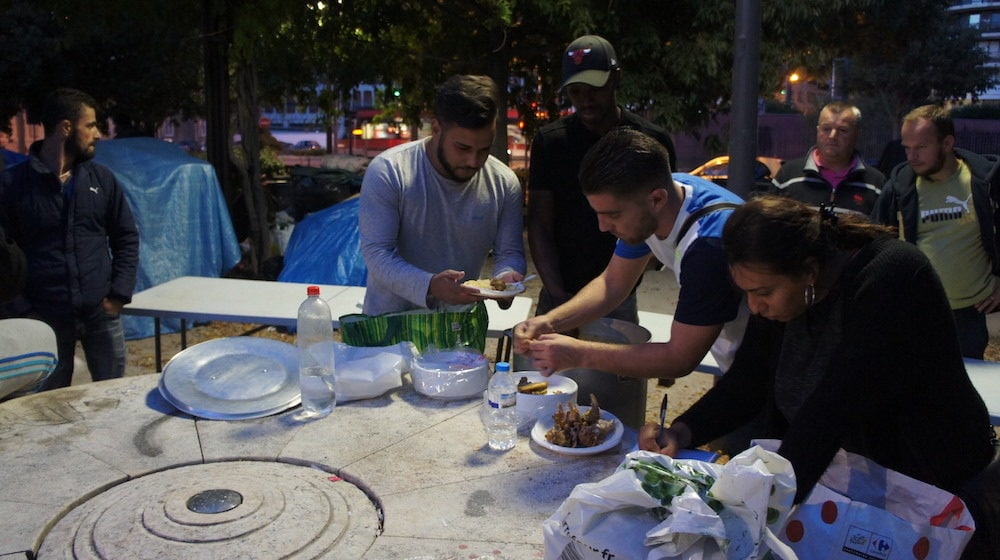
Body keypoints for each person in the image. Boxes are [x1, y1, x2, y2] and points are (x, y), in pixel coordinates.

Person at [638, 197, 999, 557]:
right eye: (746, 293)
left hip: (931, 482)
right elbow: (748, 380)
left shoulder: (892, 277)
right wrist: (683, 430)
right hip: (855, 483)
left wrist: (751, 513)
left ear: (809, 272)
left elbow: (833, 410)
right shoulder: (785, 287)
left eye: (763, 293)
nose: (755, 307)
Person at [514, 128, 746, 381]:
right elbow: (611, 284)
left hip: (763, 366)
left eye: (613, 214)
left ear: (657, 199)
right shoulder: (663, 196)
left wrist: (580, 354)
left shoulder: (708, 246)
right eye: (598, 213)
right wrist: (550, 321)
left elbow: (679, 358)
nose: (602, 227)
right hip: (734, 355)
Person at [527, 35, 676, 323]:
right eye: (576, 91)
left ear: (615, 79)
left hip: (621, 290)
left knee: (619, 365)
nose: (586, 99)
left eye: (594, 88)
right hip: (561, 288)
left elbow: (664, 217)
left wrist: (643, 267)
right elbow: (539, 224)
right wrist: (559, 298)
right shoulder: (551, 142)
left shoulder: (650, 141)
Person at [0, 88, 139, 391]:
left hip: (101, 314)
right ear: (65, 128)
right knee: (51, 408)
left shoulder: (101, 180)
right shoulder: (12, 186)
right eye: (90, 125)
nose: (98, 134)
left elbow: (126, 237)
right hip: (45, 320)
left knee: (113, 397)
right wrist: (24, 310)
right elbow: (2, 258)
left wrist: (118, 294)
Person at [359, 75, 526, 316]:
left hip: (459, 328)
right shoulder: (390, 171)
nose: (473, 161)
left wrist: (506, 278)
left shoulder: (504, 182)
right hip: (390, 327)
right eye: (463, 148)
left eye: (484, 149)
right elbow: (377, 254)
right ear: (436, 127)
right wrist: (430, 285)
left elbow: (509, 253)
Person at [872, 104, 1000, 359]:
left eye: (921, 147)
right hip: (916, 310)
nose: (912, 156)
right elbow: (875, 244)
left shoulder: (984, 182)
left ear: (947, 143)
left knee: (964, 386)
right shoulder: (900, 187)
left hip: (970, 312)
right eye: (907, 148)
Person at [770, 101, 884, 215]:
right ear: (817, 130)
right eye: (826, 129)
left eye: (843, 130)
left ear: (857, 134)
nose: (832, 136)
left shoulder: (876, 184)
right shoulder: (787, 176)